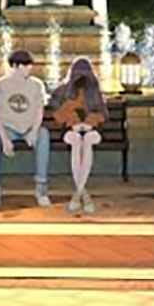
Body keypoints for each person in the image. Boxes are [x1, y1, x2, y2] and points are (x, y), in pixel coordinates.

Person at [0, 48, 51, 210]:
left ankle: (41, 186)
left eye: (29, 65)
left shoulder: (36, 85)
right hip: (8, 129)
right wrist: (5, 139)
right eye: (25, 65)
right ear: (14, 66)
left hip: (29, 129)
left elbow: (39, 111)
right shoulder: (1, 85)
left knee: (44, 134)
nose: (29, 68)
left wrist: (33, 131)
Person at [48, 56, 107, 214]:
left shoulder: (95, 93)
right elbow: (57, 112)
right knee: (75, 141)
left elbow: (102, 114)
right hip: (70, 130)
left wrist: (89, 123)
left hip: (91, 131)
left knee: (88, 140)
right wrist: (72, 122)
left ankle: (78, 194)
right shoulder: (62, 91)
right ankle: (83, 194)